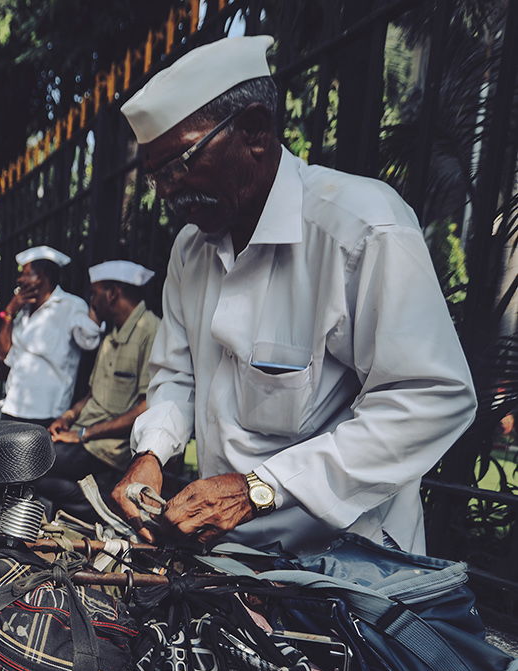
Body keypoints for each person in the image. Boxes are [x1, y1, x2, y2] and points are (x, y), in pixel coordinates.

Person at [111, 35, 476, 557]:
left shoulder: (362, 229)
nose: (167, 190)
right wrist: (151, 452)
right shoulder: (190, 252)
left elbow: (432, 397)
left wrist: (261, 489)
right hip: (229, 555)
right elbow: (177, 374)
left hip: (344, 560)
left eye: (180, 164)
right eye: (156, 177)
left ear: (255, 130)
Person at [36, 260, 160, 518]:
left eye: (94, 294)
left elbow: (146, 408)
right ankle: (93, 502)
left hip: (105, 447)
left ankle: (102, 502)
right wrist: (67, 417)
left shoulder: (151, 331)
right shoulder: (112, 333)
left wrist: (83, 434)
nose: (91, 302)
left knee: (33, 464)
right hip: (85, 437)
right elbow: (92, 394)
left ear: (112, 293)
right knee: (29, 459)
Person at [0, 246, 103, 426]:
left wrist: (95, 299)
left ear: (39, 276)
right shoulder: (23, 310)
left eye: (24, 274)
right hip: (11, 407)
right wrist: (9, 312)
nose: (19, 279)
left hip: (45, 414)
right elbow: (4, 353)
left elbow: (89, 341)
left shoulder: (71, 305)